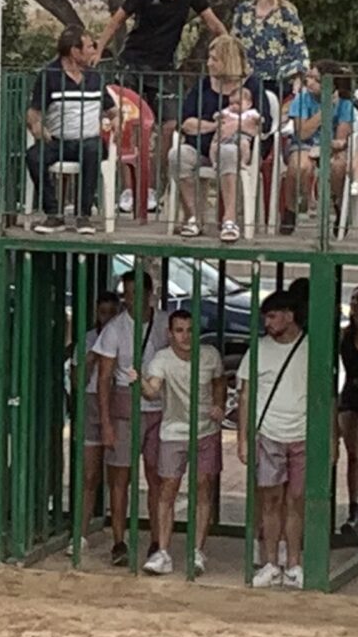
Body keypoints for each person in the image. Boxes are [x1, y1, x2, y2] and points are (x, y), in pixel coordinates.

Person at [141, 306, 222, 576]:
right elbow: (152, 391)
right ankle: (163, 552)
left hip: (205, 430)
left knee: (202, 487)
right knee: (168, 489)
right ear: (170, 333)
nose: (185, 336)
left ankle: (197, 551)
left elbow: (220, 381)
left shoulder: (210, 355)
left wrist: (220, 404)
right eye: (179, 331)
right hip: (173, 432)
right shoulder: (161, 359)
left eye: (189, 330)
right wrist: (139, 381)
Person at [100, 0, 224, 109]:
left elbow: (213, 22)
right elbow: (117, 20)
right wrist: (99, 49)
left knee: (170, 120)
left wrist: (229, 47)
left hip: (164, 67)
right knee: (129, 116)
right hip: (133, 63)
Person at [244, 292, 311, 588]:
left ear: (290, 315)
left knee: (296, 500)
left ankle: (294, 562)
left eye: (272, 316)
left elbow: (327, 394)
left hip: (303, 433)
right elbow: (246, 394)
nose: (267, 323)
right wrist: (245, 439)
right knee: (270, 500)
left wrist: (332, 438)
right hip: (269, 432)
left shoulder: (312, 347)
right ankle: (271, 562)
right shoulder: (258, 349)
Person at [169, 34, 261, 243]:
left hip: (236, 146)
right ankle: (193, 216)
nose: (209, 63)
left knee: (228, 152)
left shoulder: (251, 86)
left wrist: (235, 125)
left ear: (228, 60)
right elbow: (186, 122)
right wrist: (213, 126)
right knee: (178, 155)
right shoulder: (202, 86)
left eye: (214, 59)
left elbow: (262, 122)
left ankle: (229, 219)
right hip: (200, 148)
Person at [24, 29, 110, 232]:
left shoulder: (94, 76)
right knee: (34, 157)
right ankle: (54, 214)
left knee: (92, 150)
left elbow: (113, 110)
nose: (93, 52)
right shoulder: (49, 75)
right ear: (74, 51)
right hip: (58, 141)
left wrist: (113, 121)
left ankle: (83, 216)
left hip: (89, 139)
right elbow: (33, 112)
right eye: (90, 47)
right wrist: (38, 128)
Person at [83, 280, 140, 564]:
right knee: (93, 474)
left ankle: (150, 542)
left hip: (122, 404)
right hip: (99, 404)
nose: (106, 316)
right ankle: (86, 534)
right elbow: (86, 376)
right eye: (101, 312)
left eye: (111, 310)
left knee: (132, 477)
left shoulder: (124, 330)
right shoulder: (92, 337)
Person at [283, 68, 358, 233]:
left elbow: (340, 139)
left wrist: (328, 147)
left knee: (339, 166)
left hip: (331, 145)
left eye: (315, 79)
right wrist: (324, 111)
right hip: (304, 143)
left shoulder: (345, 103)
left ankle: (340, 207)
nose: (308, 82)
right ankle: (290, 209)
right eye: (308, 77)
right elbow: (302, 132)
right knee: (299, 166)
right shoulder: (301, 99)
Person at [232, 0, 308, 94]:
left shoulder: (286, 12)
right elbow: (234, 44)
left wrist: (297, 77)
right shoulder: (243, 10)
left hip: (278, 85)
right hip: (246, 84)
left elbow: (299, 49)